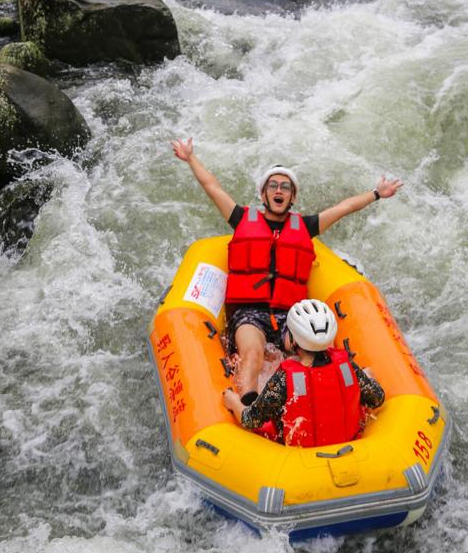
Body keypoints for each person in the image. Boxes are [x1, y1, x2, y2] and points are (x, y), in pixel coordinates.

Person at [171, 139, 402, 402]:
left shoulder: (305, 226)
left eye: (285, 187)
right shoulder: (241, 218)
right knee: (253, 353)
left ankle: (355, 388)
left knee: (316, 354)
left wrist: (376, 193)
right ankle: (250, 406)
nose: (279, 190)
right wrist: (191, 158)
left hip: (290, 315)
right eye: (273, 185)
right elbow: (212, 187)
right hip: (249, 314)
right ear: (263, 194)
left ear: (292, 197)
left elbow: (343, 208)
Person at [223, 299, 385, 446]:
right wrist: (369, 377)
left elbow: (250, 420)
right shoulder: (347, 366)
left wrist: (233, 401)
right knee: (368, 373)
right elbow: (377, 399)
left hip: (301, 454)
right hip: (347, 444)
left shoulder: (284, 379)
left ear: (293, 340)